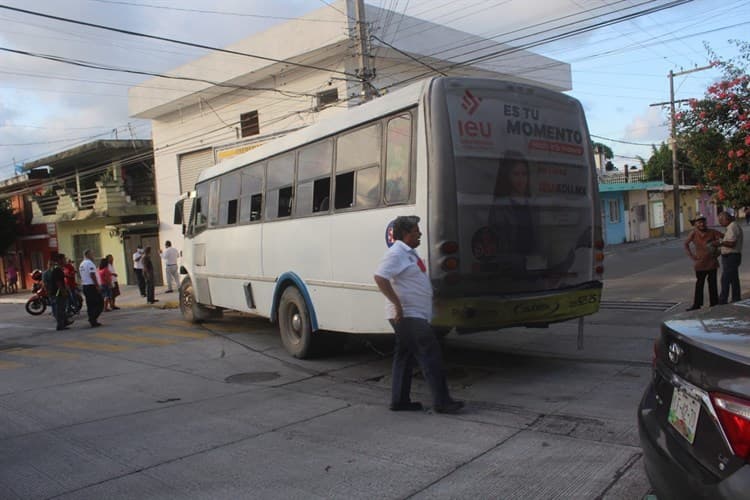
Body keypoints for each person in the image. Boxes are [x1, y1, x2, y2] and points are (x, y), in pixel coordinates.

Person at [374, 215, 463, 414]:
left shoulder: (410, 253)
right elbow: (380, 277)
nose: (420, 234)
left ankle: (399, 401)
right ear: (406, 234)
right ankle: (442, 402)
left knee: (404, 356)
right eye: (416, 231)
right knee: (431, 353)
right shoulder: (396, 252)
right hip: (407, 315)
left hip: (415, 314)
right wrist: (397, 304)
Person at [683, 214, 722, 311]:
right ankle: (697, 304)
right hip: (700, 263)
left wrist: (719, 250)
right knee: (699, 284)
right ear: (696, 224)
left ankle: (714, 303)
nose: (702, 224)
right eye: (699, 222)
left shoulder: (712, 232)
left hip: (712, 262)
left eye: (703, 222)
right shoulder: (693, 233)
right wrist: (692, 256)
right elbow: (686, 244)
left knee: (712, 283)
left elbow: (724, 238)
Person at [718, 211, 744, 304]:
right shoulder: (730, 227)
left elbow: (732, 243)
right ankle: (736, 297)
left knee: (725, 278)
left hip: (731, 256)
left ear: (726, 219)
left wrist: (720, 243)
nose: (720, 222)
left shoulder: (733, 226)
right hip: (731, 256)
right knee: (733, 278)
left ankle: (722, 299)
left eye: (721, 220)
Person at [79, 249, 103, 327]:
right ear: (88, 255)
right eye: (92, 254)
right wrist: (97, 286)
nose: (93, 256)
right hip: (91, 286)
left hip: (85, 285)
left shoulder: (81, 264)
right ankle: (93, 318)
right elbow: (92, 275)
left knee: (90, 304)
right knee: (99, 303)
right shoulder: (90, 263)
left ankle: (92, 319)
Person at [48, 256, 71, 331]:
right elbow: (58, 282)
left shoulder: (59, 269)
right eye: (64, 259)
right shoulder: (57, 270)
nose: (65, 260)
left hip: (59, 291)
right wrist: (63, 291)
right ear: (60, 260)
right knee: (60, 309)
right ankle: (60, 325)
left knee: (62, 308)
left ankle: (64, 322)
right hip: (57, 292)